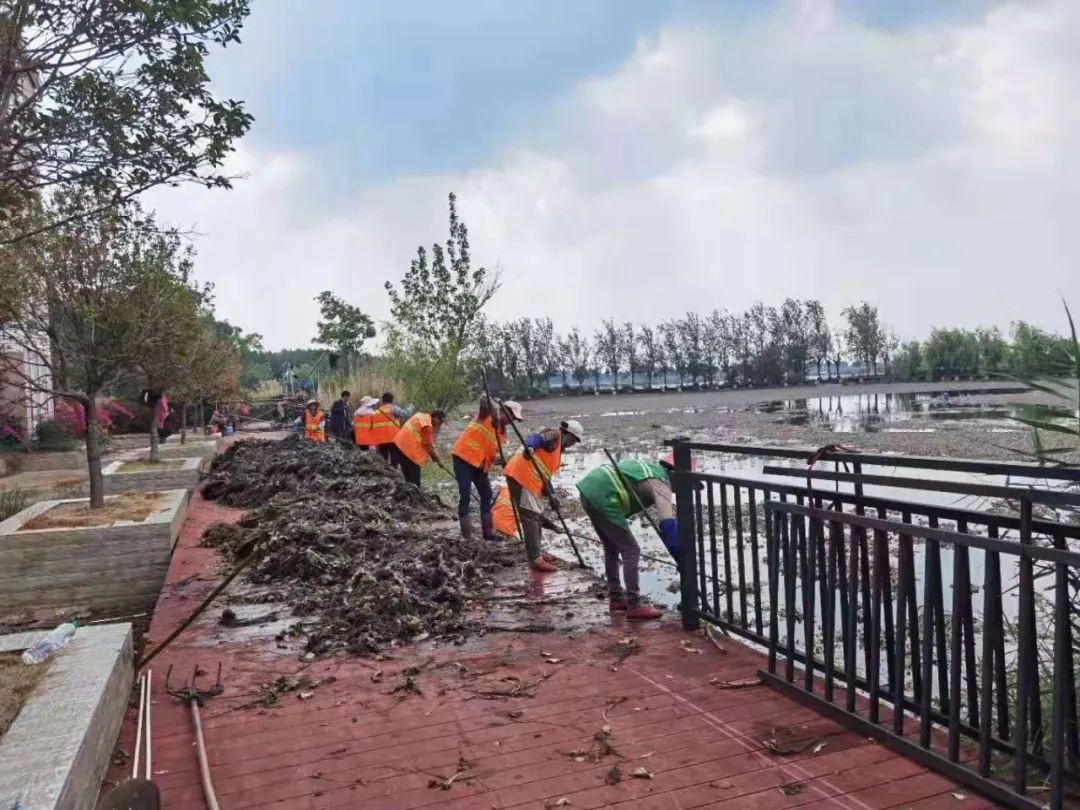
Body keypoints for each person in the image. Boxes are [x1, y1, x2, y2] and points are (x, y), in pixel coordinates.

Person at [576, 455, 684, 620]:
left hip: (588, 490)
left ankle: (617, 598)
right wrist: (682, 560)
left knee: (611, 548)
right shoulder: (661, 484)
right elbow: (668, 525)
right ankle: (634, 605)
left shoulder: (649, 468)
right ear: (677, 474)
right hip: (604, 497)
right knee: (631, 550)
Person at [503, 419, 584, 572]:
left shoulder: (557, 449)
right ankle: (535, 559)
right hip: (522, 476)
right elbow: (534, 439)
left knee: (538, 515)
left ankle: (537, 553)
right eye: (574, 439)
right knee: (531, 517)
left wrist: (552, 494)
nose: (574, 443)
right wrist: (530, 448)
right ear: (567, 433)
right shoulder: (554, 434)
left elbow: (545, 475)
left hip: (531, 481)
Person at [450, 396, 523, 540]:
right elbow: (484, 399)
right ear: (504, 411)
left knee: (487, 494)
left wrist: (500, 460)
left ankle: (488, 534)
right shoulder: (486, 415)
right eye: (511, 417)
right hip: (463, 458)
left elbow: (489, 453)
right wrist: (495, 411)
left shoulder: (502, 434)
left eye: (514, 419)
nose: (511, 421)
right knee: (465, 494)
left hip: (479, 465)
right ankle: (467, 536)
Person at [392, 409, 447, 486]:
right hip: (408, 451)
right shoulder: (428, 426)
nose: (440, 424)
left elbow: (424, 441)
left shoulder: (421, 416)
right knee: (415, 481)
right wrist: (439, 460)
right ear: (436, 417)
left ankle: (409, 493)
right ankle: (414, 494)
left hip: (399, 445)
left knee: (408, 477)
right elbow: (429, 446)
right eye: (440, 421)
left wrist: (433, 456)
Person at [370, 392, 409, 462]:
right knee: (394, 459)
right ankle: (393, 472)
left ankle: (384, 472)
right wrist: (409, 408)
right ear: (392, 400)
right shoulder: (393, 408)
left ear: (382, 400)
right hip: (392, 439)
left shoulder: (376, 412)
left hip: (380, 440)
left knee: (383, 460)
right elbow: (405, 414)